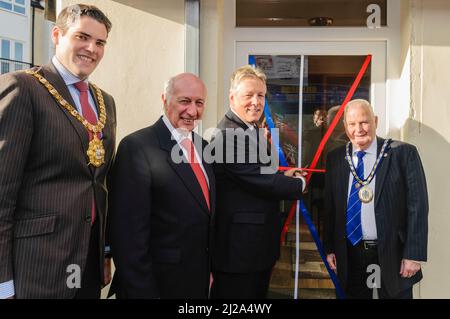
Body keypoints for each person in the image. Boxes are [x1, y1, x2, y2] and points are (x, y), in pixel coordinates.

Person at [0, 4, 115, 299]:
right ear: (57, 34)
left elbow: (99, 183)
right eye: (82, 37)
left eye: (100, 42)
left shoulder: (105, 102)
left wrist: (103, 251)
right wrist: (3, 284)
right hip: (36, 268)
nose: (91, 48)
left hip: (86, 264)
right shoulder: (23, 88)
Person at [108, 73, 214, 299]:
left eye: (199, 103)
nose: (193, 111)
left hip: (197, 283)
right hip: (156, 286)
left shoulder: (204, 146)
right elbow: (128, 236)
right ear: (165, 99)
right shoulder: (137, 147)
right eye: (184, 101)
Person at [210, 65, 306, 299]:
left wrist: (283, 176)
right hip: (239, 253)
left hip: (253, 249)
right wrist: (299, 185)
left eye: (261, 95)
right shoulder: (227, 135)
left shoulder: (249, 129)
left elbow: (256, 175)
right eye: (248, 95)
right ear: (233, 98)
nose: (256, 101)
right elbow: (260, 180)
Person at [324, 99, 428, 299]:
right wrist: (330, 247)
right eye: (352, 124)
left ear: (376, 121)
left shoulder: (402, 153)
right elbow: (331, 207)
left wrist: (413, 254)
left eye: (364, 122)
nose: (358, 129)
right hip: (350, 253)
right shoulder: (336, 158)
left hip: (392, 253)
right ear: (345, 126)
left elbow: (418, 206)